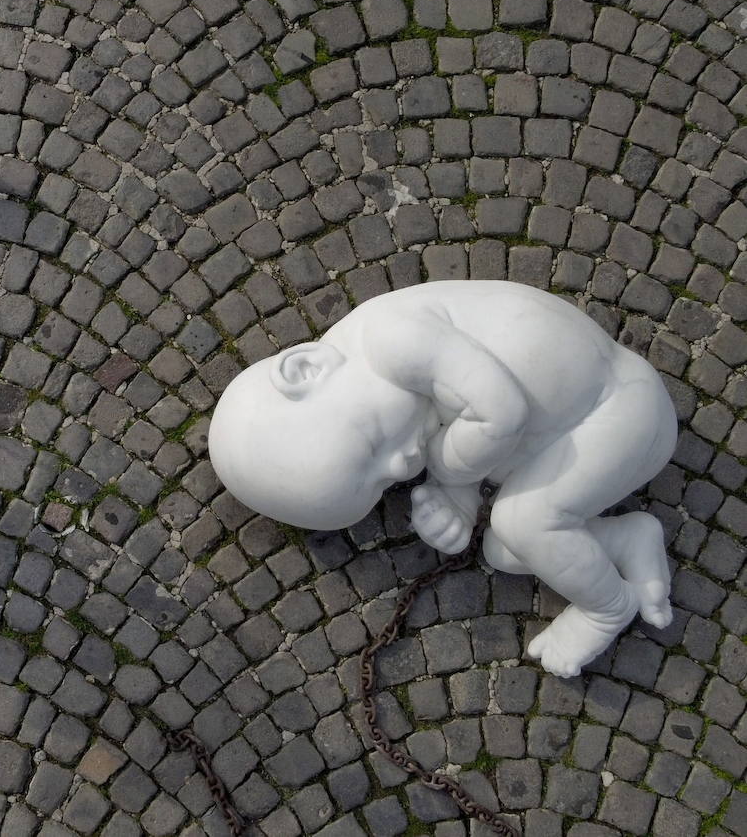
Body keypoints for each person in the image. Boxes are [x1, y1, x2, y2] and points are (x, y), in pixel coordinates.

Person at [208, 280, 679, 677]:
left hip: (620, 409)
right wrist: (456, 505)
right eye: (378, 487)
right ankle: (626, 540)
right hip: (562, 438)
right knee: (506, 549)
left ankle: (608, 608)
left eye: (372, 447)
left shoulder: (392, 338)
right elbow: (458, 417)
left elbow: (498, 414)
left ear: (309, 368)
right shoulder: (388, 389)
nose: (399, 470)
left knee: (523, 522)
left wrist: (449, 471)